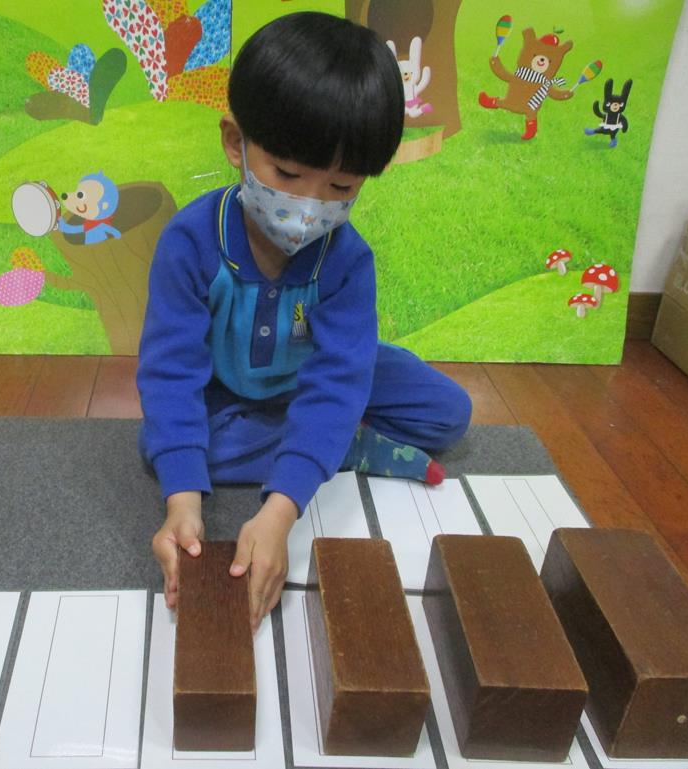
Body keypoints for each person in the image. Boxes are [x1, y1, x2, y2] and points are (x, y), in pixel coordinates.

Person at [136, 11, 471, 632]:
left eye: (341, 186)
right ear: (235, 142)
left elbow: (339, 378)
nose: (309, 206)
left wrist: (279, 512)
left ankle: (322, 437)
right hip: (227, 385)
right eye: (287, 175)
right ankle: (336, 444)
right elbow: (170, 373)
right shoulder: (189, 241)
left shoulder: (347, 259)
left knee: (449, 413)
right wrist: (182, 502)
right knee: (178, 448)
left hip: (315, 369)